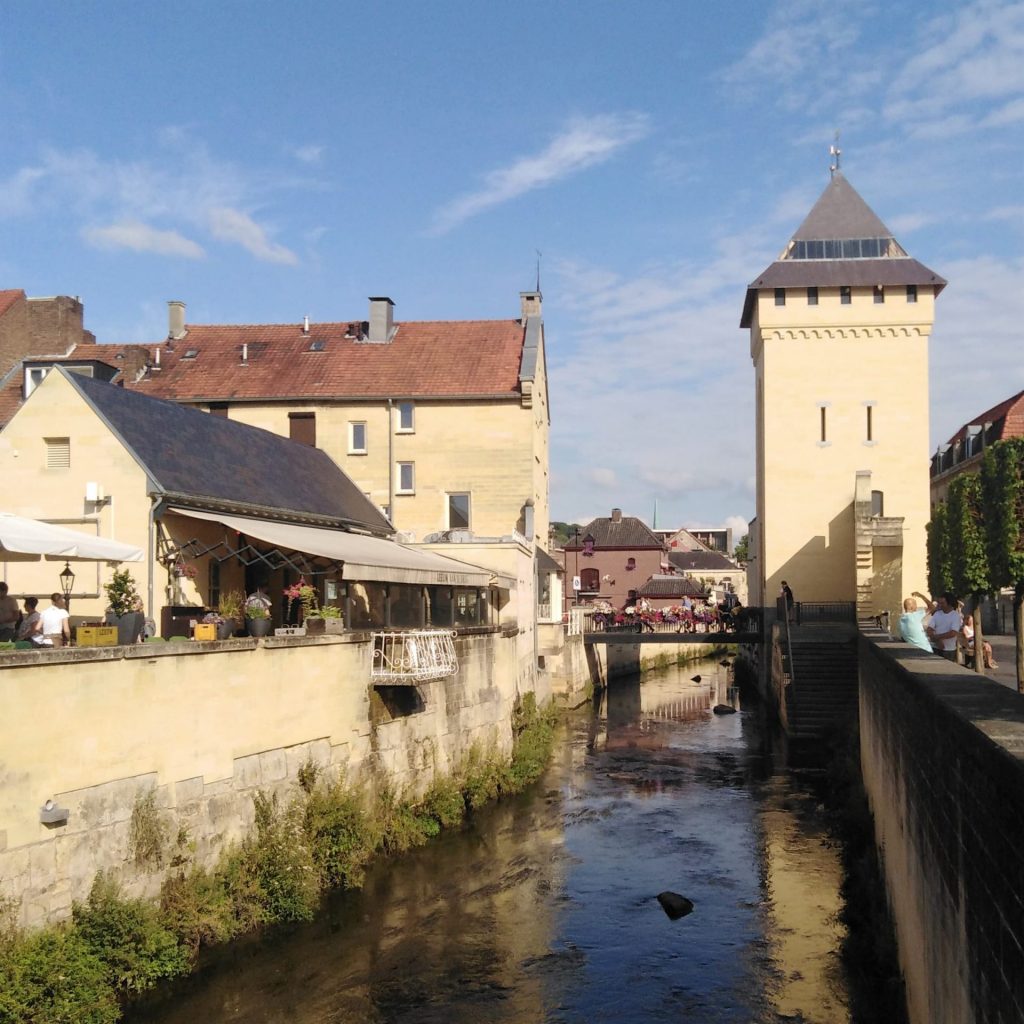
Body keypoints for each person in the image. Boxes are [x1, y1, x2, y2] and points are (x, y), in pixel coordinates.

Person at [925, 592, 962, 661]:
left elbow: (953, 633)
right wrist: (938, 641)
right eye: (939, 603)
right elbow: (929, 629)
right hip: (935, 647)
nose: (940, 605)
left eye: (942, 603)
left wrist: (938, 637)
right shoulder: (937, 614)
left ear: (949, 603)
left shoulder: (955, 616)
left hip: (948, 650)